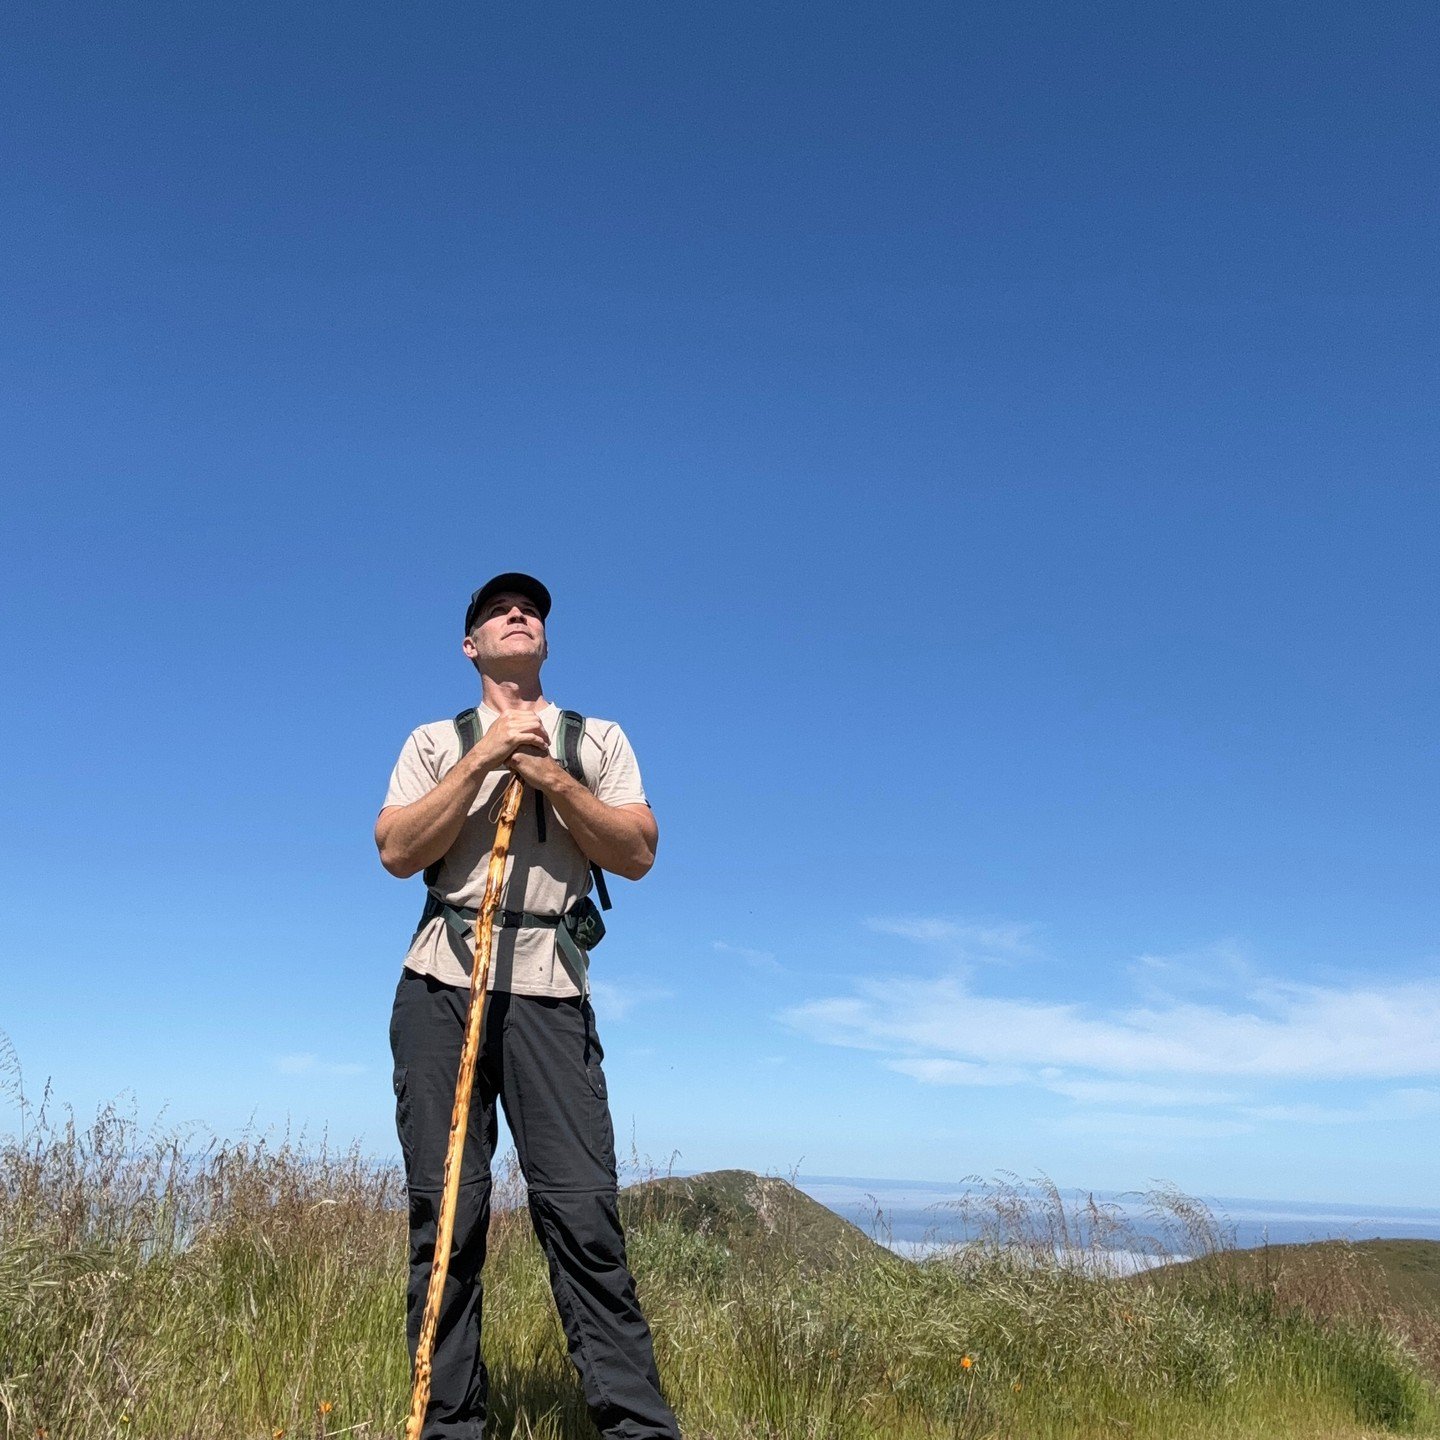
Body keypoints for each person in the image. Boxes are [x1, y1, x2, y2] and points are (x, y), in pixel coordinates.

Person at [375, 571, 680, 1440]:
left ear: (545, 641)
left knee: (583, 1214)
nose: (519, 615)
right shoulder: (435, 741)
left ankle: (636, 1429)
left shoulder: (599, 739)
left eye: (532, 610)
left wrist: (550, 775)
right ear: (470, 646)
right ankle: (448, 1427)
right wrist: (484, 759)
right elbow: (397, 849)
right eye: (497, 612)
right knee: (448, 1216)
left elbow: (638, 851)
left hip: (551, 990)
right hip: (443, 982)